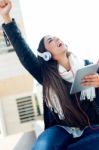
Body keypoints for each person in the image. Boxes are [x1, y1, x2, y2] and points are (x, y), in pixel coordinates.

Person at [0, 0, 99, 150]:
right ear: (46, 55)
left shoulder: (87, 65)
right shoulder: (46, 76)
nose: (57, 39)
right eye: (50, 40)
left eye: (56, 37)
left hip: (90, 127)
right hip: (60, 129)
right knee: (43, 145)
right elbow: (23, 51)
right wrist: (6, 16)